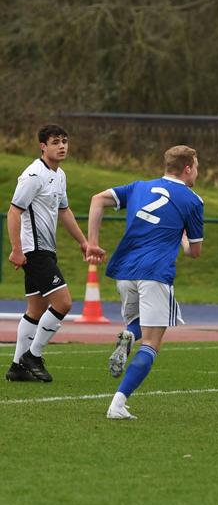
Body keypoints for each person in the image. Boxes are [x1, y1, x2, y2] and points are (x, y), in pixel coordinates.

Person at [85, 145, 204, 419]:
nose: (197, 172)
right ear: (187, 168)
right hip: (155, 272)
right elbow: (194, 252)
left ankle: (128, 336)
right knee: (152, 342)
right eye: (196, 167)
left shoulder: (139, 186)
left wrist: (93, 243)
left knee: (138, 325)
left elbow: (97, 200)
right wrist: (184, 236)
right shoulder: (192, 200)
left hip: (125, 270)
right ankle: (118, 403)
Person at [5, 124, 88, 383]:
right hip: (34, 250)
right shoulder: (33, 175)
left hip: (46, 250)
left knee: (36, 309)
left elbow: (64, 211)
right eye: (55, 142)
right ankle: (33, 355)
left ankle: (17, 367)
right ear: (43, 146)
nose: (61, 146)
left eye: (64, 141)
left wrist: (84, 242)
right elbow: (14, 211)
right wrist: (17, 250)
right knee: (63, 303)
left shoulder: (59, 175)